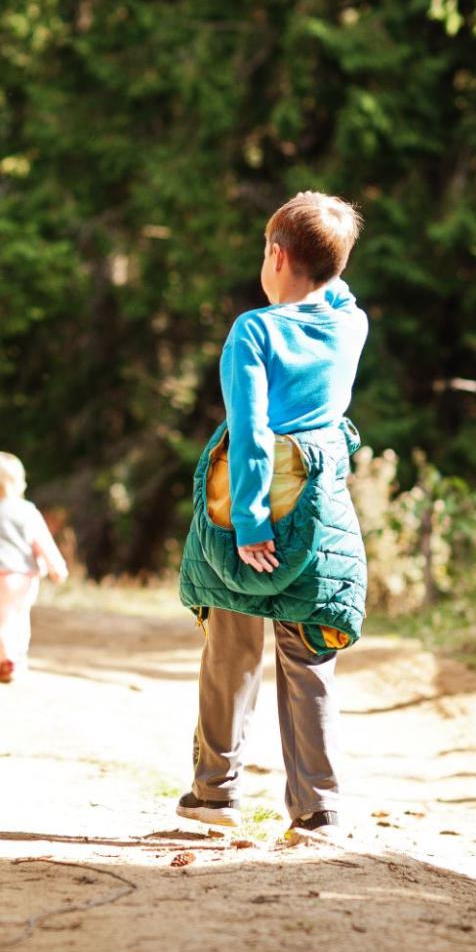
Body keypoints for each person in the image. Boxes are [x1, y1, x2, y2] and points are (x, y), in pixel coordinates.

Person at [174, 192, 368, 838]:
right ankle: (319, 806)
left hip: (251, 502)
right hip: (319, 506)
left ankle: (214, 794)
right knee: (307, 658)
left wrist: (251, 523)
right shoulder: (350, 325)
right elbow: (338, 297)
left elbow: (251, 430)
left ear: (275, 255)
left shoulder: (254, 330)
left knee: (229, 650)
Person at [0, 451, 67, 682]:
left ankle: (6, 659)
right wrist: (56, 566)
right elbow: (42, 541)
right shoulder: (27, 510)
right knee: (21, 616)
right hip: (25, 575)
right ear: (19, 482)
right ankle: (18, 658)